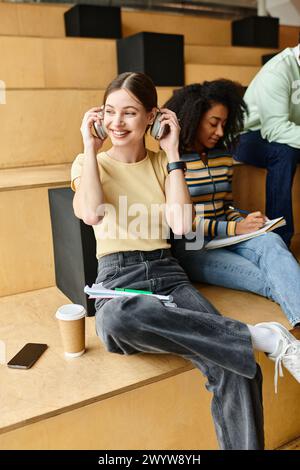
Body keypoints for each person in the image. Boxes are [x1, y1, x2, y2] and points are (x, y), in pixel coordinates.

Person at [71, 72, 300, 450]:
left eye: (129, 113)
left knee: (238, 369)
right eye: (110, 111)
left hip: (168, 273)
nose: (116, 122)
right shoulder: (87, 162)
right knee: (114, 320)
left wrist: (175, 153)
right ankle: (258, 336)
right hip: (117, 275)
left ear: (151, 118)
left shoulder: (165, 164)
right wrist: (89, 146)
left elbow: (181, 224)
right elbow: (92, 212)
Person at [164, 80, 300, 331]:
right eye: (213, 123)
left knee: (271, 242)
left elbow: (226, 205)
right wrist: (235, 229)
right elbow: (180, 224)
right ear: (193, 118)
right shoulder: (171, 160)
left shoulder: (222, 155)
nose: (219, 131)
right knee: (269, 276)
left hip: (225, 233)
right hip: (192, 246)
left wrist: (245, 223)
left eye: (224, 124)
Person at [233, 45, 300, 247]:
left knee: (288, 148)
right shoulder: (278, 70)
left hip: (287, 133)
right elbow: (275, 130)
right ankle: (279, 240)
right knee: (284, 153)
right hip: (246, 136)